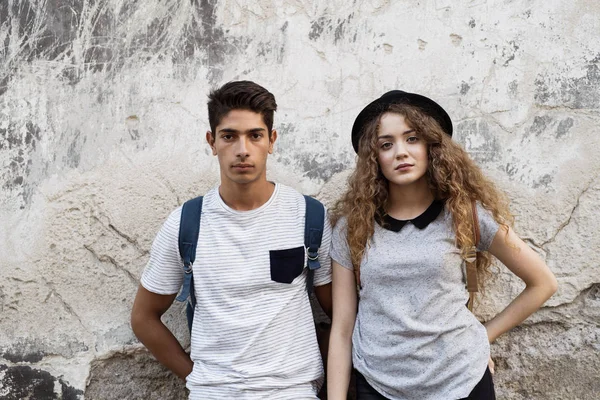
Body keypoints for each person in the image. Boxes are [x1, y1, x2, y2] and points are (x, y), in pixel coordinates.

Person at [327, 90, 558, 400]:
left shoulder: (466, 214)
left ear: (431, 147)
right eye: (386, 144)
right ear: (374, 158)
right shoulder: (352, 227)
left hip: (461, 380)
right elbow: (342, 328)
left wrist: (482, 336)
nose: (400, 152)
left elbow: (543, 283)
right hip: (379, 384)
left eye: (412, 139)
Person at [131, 80, 332, 399]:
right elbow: (143, 317)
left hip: (291, 390)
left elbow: (341, 315)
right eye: (229, 136)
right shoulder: (186, 223)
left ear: (271, 140)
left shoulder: (308, 216)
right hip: (214, 392)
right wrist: (196, 376)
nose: (242, 149)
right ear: (212, 142)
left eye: (255, 135)